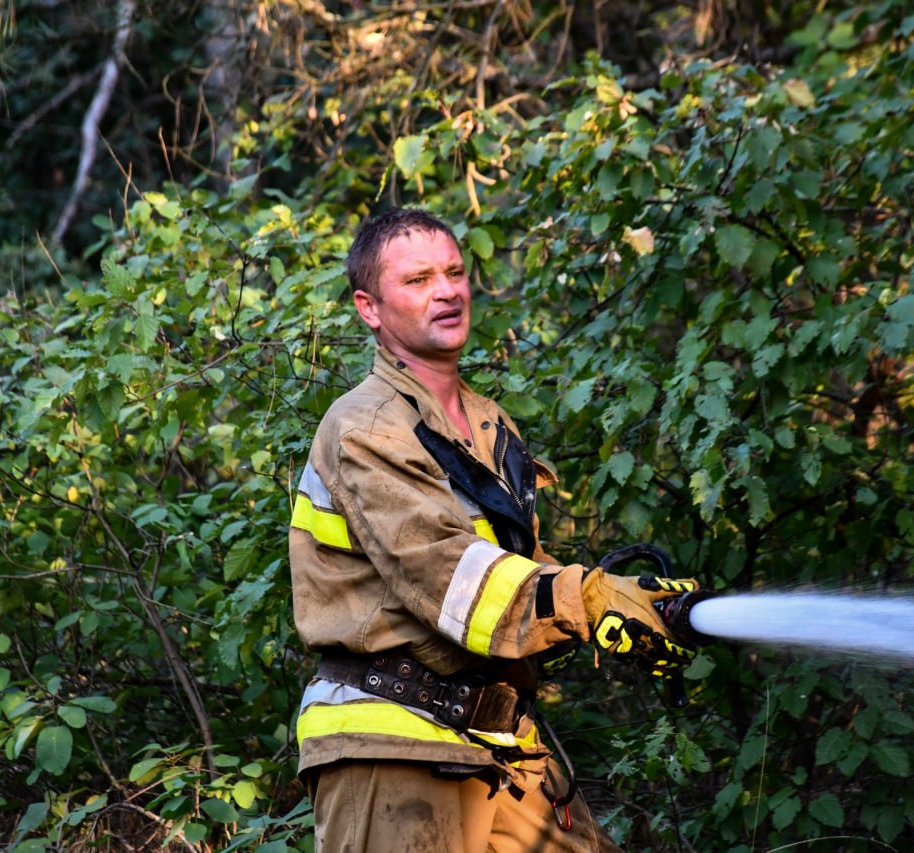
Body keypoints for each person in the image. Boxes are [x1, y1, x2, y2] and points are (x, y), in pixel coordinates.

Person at [289, 207, 700, 852]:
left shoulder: (488, 422)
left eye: (454, 273)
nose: (447, 291)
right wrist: (588, 601)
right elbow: (450, 579)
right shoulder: (366, 427)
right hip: (390, 741)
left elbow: (519, 571)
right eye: (418, 280)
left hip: (497, 739)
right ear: (369, 308)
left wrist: (630, 608)